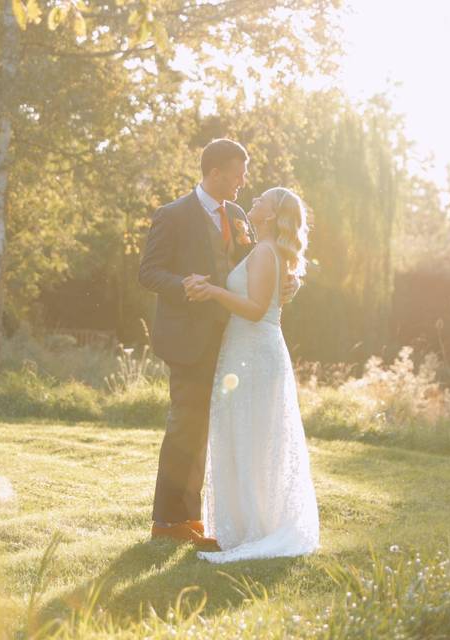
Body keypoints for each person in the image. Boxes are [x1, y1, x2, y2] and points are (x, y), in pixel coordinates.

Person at [138, 139, 299, 549]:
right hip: (188, 340)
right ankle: (168, 520)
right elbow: (149, 273)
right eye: (239, 173)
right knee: (185, 425)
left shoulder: (240, 214)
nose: (245, 181)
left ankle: (194, 518)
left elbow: (251, 266)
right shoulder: (173, 215)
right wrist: (183, 285)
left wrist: (285, 279)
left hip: (234, 342)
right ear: (215, 173)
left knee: (220, 430)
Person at [189, 186, 320, 563]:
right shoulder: (263, 250)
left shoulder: (265, 252)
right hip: (246, 351)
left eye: (262, 200)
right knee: (246, 435)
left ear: (271, 214)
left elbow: (254, 308)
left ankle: (255, 530)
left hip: (254, 354)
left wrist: (213, 290)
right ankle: (247, 525)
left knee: (250, 435)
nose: (254, 201)